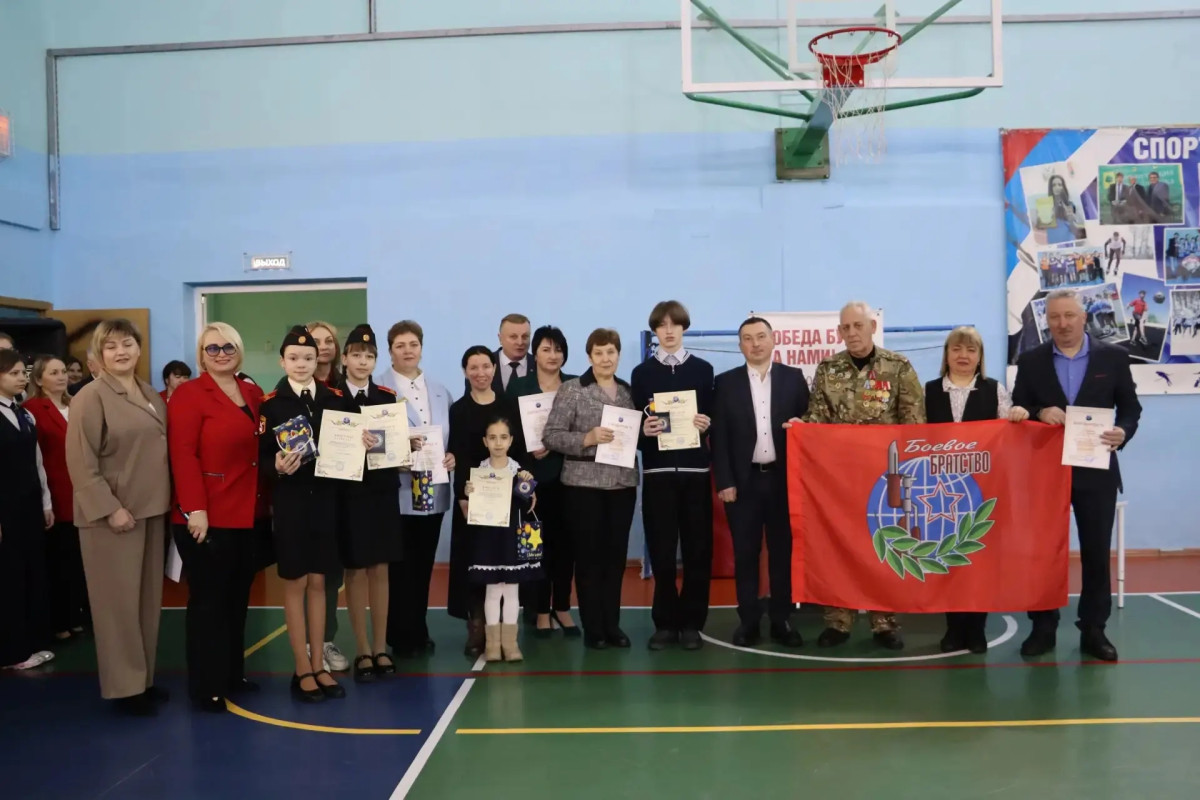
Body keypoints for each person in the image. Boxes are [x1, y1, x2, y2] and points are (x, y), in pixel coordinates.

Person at [1012, 289, 1141, 662]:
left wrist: (1123, 431)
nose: (1062, 323)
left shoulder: (1113, 357)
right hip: (1044, 471)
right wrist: (1039, 412)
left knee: (1096, 553)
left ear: (1084, 318)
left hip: (1096, 470)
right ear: (1046, 320)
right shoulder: (1031, 360)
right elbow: (1019, 405)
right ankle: (1042, 627)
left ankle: (1094, 629)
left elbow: (1130, 408)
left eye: (1069, 315)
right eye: (1054, 317)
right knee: (1042, 553)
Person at [802, 301, 925, 650]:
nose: (852, 333)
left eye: (858, 325)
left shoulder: (898, 367)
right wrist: (800, 427)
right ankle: (838, 621)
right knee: (838, 547)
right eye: (846, 327)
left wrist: (907, 474)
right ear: (839, 331)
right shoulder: (828, 369)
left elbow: (914, 423)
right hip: (838, 479)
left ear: (872, 326)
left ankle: (884, 622)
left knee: (884, 546)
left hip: (884, 478)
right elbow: (817, 418)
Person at [66, 318, 171, 715]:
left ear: (139, 348)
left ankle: (143, 679)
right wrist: (110, 509)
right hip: (112, 518)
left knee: (146, 603)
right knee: (117, 607)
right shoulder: (90, 397)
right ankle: (125, 689)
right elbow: (81, 463)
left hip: (151, 511)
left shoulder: (149, 393)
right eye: (111, 346)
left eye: (127, 343)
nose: (121, 352)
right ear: (98, 354)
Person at [168, 323, 267, 712]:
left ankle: (231, 675)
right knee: (208, 603)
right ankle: (206, 686)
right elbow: (182, 454)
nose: (221, 353)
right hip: (205, 517)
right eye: (212, 348)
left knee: (237, 601)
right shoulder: (189, 395)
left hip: (247, 514)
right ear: (201, 355)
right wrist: (196, 509)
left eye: (228, 347)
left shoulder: (253, 392)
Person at [924, 327, 1029, 654]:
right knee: (948, 558)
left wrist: (1019, 414)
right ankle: (953, 628)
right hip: (940, 492)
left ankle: (976, 628)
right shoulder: (928, 391)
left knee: (979, 561)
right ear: (946, 354)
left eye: (971, 350)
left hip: (984, 491)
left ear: (980, 356)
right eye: (957, 349)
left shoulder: (995, 390)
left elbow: (1011, 432)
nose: (963, 355)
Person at [258, 325, 348, 701]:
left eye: (308, 358)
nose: (301, 363)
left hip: (326, 503)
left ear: (318, 361)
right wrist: (276, 466)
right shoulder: (271, 404)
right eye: (293, 358)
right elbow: (261, 459)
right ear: (282, 361)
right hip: (292, 506)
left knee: (319, 583)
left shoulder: (335, 399)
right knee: (295, 583)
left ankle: (318, 664)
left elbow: (352, 443)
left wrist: (363, 441)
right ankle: (301, 667)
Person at [711, 317, 808, 648]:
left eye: (761, 336)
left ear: (773, 339)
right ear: (740, 346)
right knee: (745, 553)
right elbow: (719, 437)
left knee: (783, 553)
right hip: (743, 482)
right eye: (748, 338)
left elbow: (808, 424)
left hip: (784, 481)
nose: (755, 343)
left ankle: (782, 620)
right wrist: (724, 481)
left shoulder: (794, 379)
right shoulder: (725, 383)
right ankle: (748, 621)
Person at [542, 328, 639, 650]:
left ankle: (613, 625)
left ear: (618, 355)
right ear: (589, 357)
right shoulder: (572, 389)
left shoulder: (628, 391)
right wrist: (587, 438)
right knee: (588, 559)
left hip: (622, 485)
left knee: (615, 559)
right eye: (599, 353)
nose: (605, 359)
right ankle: (594, 628)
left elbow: (634, 435)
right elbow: (551, 435)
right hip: (583, 486)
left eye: (611, 352)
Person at [631, 301, 714, 651]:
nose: (668, 331)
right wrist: (643, 431)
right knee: (662, 552)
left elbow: (712, 419)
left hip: (696, 473)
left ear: (684, 328)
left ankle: (692, 623)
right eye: (662, 325)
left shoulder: (704, 370)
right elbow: (633, 427)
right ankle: (665, 624)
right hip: (658, 473)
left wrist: (707, 424)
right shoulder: (642, 374)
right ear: (655, 331)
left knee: (698, 551)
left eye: (674, 324)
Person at [377, 320, 456, 658]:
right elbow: (373, 442)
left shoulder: (440, 390)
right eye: (400, 345)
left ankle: (418, 628)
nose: (407, 351)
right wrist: (397, 457)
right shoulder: (378, 389)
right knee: (399, 567)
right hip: (396, 492)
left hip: (433, 491)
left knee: (423, 565)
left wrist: (452, 456)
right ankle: (398, 633)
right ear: (390, 350)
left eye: (413, 344)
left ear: (421, 347)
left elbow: (451, 437)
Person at [448, 346, 526, 657]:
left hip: (506, 502)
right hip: (472, 499)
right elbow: (457, 455)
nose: (480, 373)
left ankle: (506, 633)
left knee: (503, 565)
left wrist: (520, 492)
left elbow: (519, 453)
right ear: (465, 371)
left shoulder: (509, 405)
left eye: (486, 366)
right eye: (473, 367)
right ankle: (477, 626)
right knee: (473, 561)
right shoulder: (458, 409)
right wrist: (462, 496)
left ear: (494, 369)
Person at [337, 324, 404, 682]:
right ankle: (362, 649)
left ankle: (380, 647)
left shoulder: (387, 398)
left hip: (382, 491)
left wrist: (408, 446)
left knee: (381, 568)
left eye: (369, 356)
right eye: (357, 355)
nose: (363, 361)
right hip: (349, 495)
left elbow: (394, 446)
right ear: (345, 358)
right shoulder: (332, 398)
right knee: (356, 570)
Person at [507, 326, 580, 637]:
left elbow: (582, 430)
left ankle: (562, 607)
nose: (553, 355)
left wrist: (555, 442)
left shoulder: (575, 385)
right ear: (534, 354)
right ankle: (538, 610)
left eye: (558, 349)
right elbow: (509, 433)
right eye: (546, 349)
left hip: (569, 478)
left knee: (565, 546)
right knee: (534, 546)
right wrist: (529, 451)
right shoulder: (519, 387)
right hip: (531, 479)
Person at [465, 416, 541, 662]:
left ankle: (510, 644)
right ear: (485, 441)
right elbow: (471, 508)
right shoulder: (478, 473)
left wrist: (529, 487)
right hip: (488, 539)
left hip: (511, 539)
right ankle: (492, 645)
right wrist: (469, 492)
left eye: (503, 437)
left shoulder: (519, 472)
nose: (498, 443)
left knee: (511, 590)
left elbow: (528, 506)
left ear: (511, 441)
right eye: (493, 438)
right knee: (492, 591)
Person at [24, 356, 89, 641]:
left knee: (79, 561)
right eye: (54, 372)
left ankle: (76, 616)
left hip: (84, 493)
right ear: (39, 379)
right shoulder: (32, 410)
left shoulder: (77, 405)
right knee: (59, 561)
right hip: (55, 493)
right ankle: (59, 620)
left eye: (63, 371)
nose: (62, 376)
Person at [0, 348, 55, 670]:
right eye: (14, 373)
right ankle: (12, 653)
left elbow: (37, 462)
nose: (22, 378)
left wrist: (46, 502)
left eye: (24, 372)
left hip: (29, 505)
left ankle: (31, 640)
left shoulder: (24, 414)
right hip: (5, 510)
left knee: (30, 572)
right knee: (8, 578)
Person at [304, 320, 349, 673]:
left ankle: (327, 639)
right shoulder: (295, 389)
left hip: (342, 493)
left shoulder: (345, 388)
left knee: (333, 572)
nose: (323, 346)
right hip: (307, 494)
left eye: (329, 340)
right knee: (309, 574)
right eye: (316, 341)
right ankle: (309, 643)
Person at [479, 313, 533, 395]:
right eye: (513, 337)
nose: (520, 342)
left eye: (525, 336)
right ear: (500, 338)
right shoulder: (482, 365)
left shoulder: (539, 365)